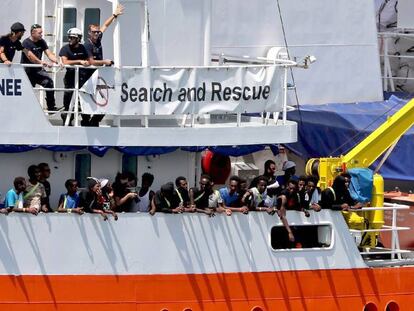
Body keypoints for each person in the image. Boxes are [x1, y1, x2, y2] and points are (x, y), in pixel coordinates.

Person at [81, 4, 124, 126]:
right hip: (87, 76)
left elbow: (105, 25)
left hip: (98, 75)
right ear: (89, 33)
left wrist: (114, 15)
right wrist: (105, 62)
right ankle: (85, 121)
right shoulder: (87, 45)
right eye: (94, 32)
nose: (96, 34)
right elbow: (91, 62)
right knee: (88, 99)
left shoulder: (98, 38)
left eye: (97, 32)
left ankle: (95, 121)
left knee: (105, 99)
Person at [21, 24, 61, 112]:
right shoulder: (26, 43)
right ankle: (24, 109)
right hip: (27, 72)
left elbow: (49, 54)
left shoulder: (41, 41)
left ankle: (51, 107)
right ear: (33, 33)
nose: (41, 35)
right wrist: (42, 62)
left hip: (38, 71)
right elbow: (30, 56)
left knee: (49, 82)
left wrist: (58, 61)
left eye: (41, 33)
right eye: (39, 33)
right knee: (27, 92)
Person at [59, 27, 90, 126]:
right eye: (69, 37)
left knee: (85, 100)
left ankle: (86, 121)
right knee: (68, 100)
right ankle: (67, 121)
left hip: (83, 78)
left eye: (72, 38)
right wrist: (79, 61)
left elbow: (89, 60)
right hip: (70, 78)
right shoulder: (65, 48)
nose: (69, 39)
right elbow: (65, 61)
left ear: (78, 39)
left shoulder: (83, 48)